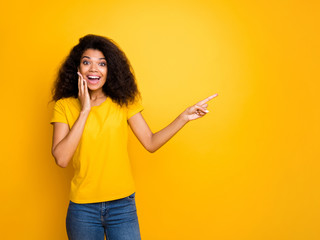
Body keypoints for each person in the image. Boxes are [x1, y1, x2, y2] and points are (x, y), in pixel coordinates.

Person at [50, 34, 217, 240]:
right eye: (87, 62)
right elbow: (62, 159)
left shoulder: (123, 102)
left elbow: (150, 142)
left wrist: (183, 117)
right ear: (77, 68)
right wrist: (85, 110)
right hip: (83, 210)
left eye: (102, 64)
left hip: (122, 207)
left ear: (109, 70)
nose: (94, 69)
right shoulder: (64, 106)